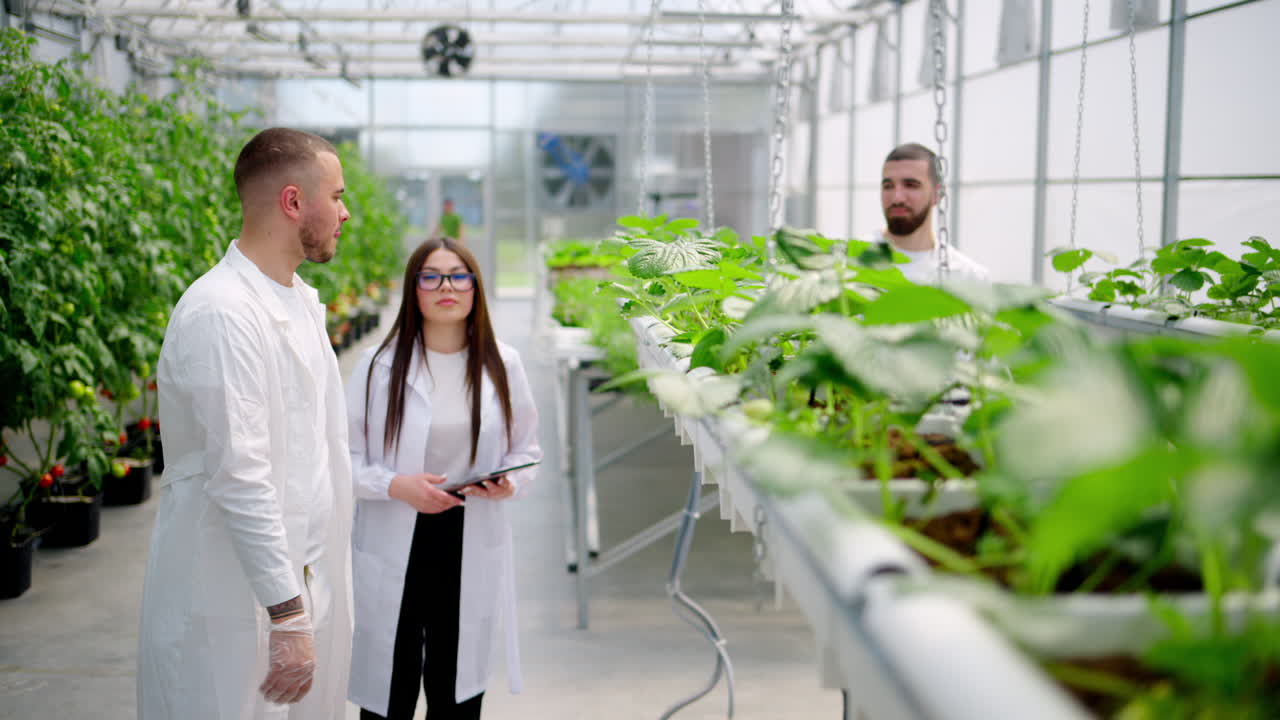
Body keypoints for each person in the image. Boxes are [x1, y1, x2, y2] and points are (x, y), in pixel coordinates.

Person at [138, 127, 355, 720]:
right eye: (335, 196)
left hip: (299, 584)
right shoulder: (221, 312)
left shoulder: (298, 302)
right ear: (293, 202)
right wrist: (287, 614)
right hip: (235, 598)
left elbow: (312, 454)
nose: (345, 212)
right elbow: (242, 474)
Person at [345, 237, 541, 720]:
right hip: (398, 532)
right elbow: (341, 458)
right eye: (431, 276)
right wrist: (396, 486)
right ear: (414, 290)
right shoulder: (376, 366)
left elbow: (527, 449)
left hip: (467, 529)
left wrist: (508, 482)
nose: (446, 287)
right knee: (391, 683)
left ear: (475, 288)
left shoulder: (502, 363)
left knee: (456, 693)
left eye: (459, 275)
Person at [875, 143, 990, 284]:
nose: (897, 198)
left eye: (911, 185)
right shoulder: (850, 264)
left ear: (938, 194)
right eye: (888, 186)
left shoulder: (968, 277)